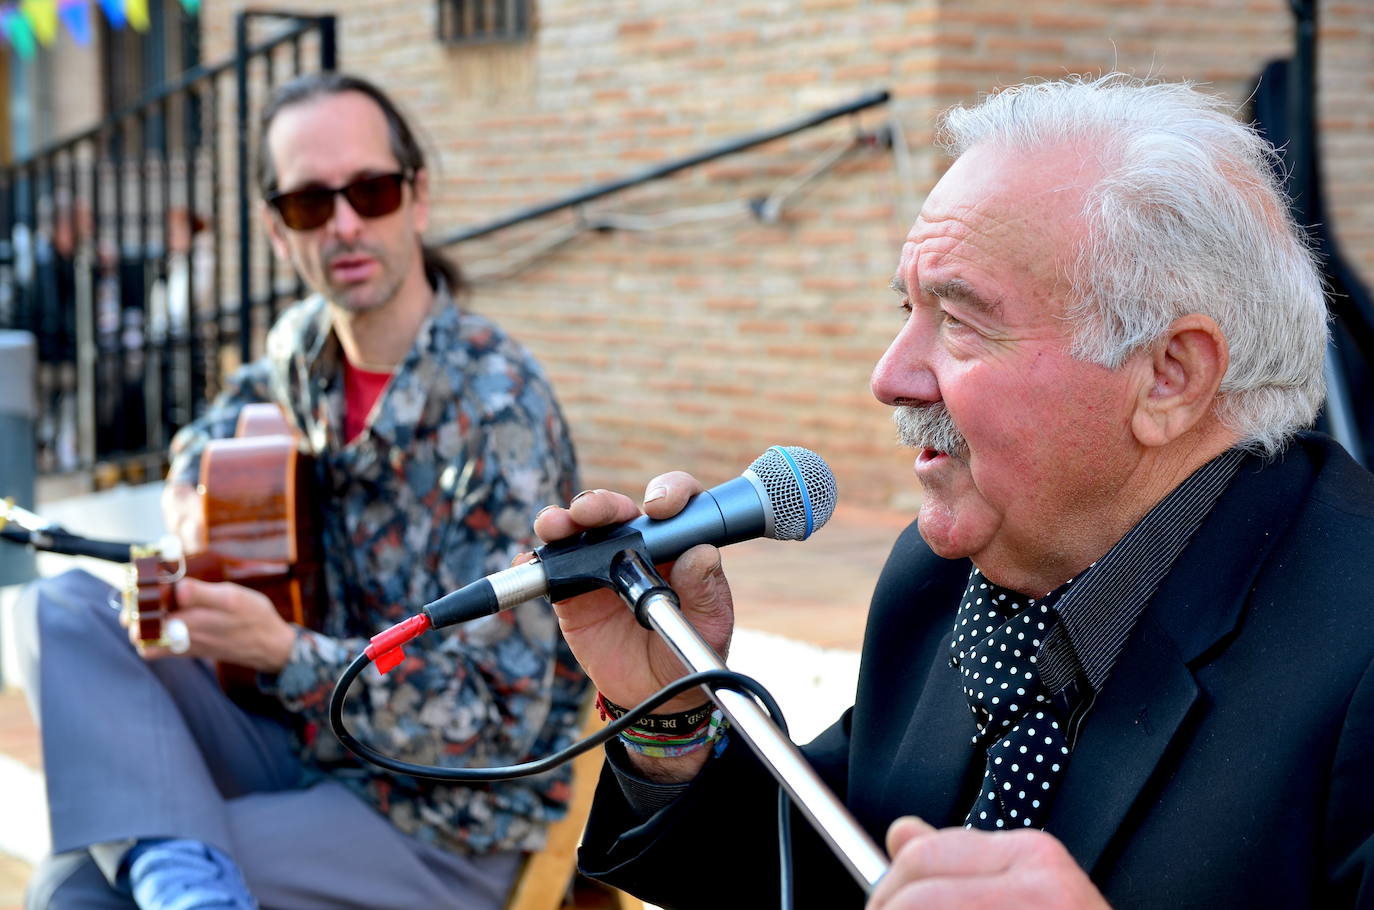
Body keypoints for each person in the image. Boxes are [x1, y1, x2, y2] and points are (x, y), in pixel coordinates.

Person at [534, 74, 1374, 909]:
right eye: (908, 306)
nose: (890, 377)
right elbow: (826, 873)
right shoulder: (947, 571)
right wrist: (668, 712)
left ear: (1169, 376)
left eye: (961, 319)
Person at [16, 71, 585, 910]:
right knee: (57, 610)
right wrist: (188, 488)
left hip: (439, 815)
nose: (346, 223)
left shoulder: (501, 411)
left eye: (372, 190)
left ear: (418, 199)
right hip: (301, 739)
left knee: (79, 886)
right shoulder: (301, 350)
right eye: (311, 204)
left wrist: (284, 652)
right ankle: (183, 878)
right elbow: (214, 426)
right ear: (278, 232)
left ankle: (180, 879)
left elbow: (492, 727)